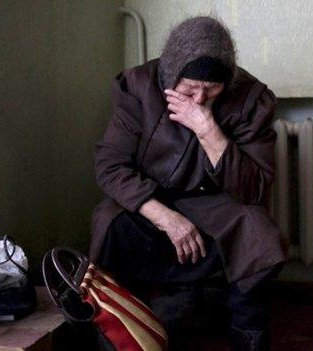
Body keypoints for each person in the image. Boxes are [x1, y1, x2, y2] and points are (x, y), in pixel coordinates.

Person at [88, 16, 286, 350]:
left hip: (216, 205)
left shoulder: (251, 99)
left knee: (259, 233)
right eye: (189, 89)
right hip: (150, 202)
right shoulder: (137, 86)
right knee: (109, 222)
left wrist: (209, 130)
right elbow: (110, 165)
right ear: (170, 76)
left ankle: (247, 337)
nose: (198, 99)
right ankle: (120, 335)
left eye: (210, 90)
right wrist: (165, 216)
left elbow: (254, 188)